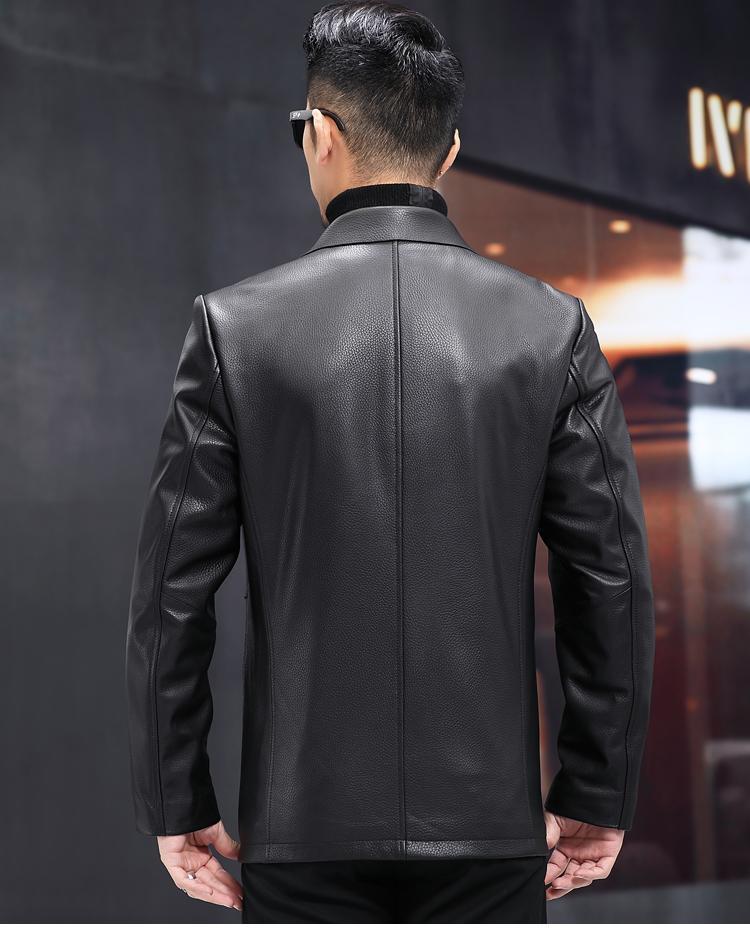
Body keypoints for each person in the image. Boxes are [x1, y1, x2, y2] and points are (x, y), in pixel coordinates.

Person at [125, 0, 655, 924]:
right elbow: (609, 582)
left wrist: (177, 799)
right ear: (450, 154)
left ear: (321, 134)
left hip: (300, 834)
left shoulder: (234, 328)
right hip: (492, 838)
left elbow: (173, 594)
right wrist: (596, 789)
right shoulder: (552, 329)